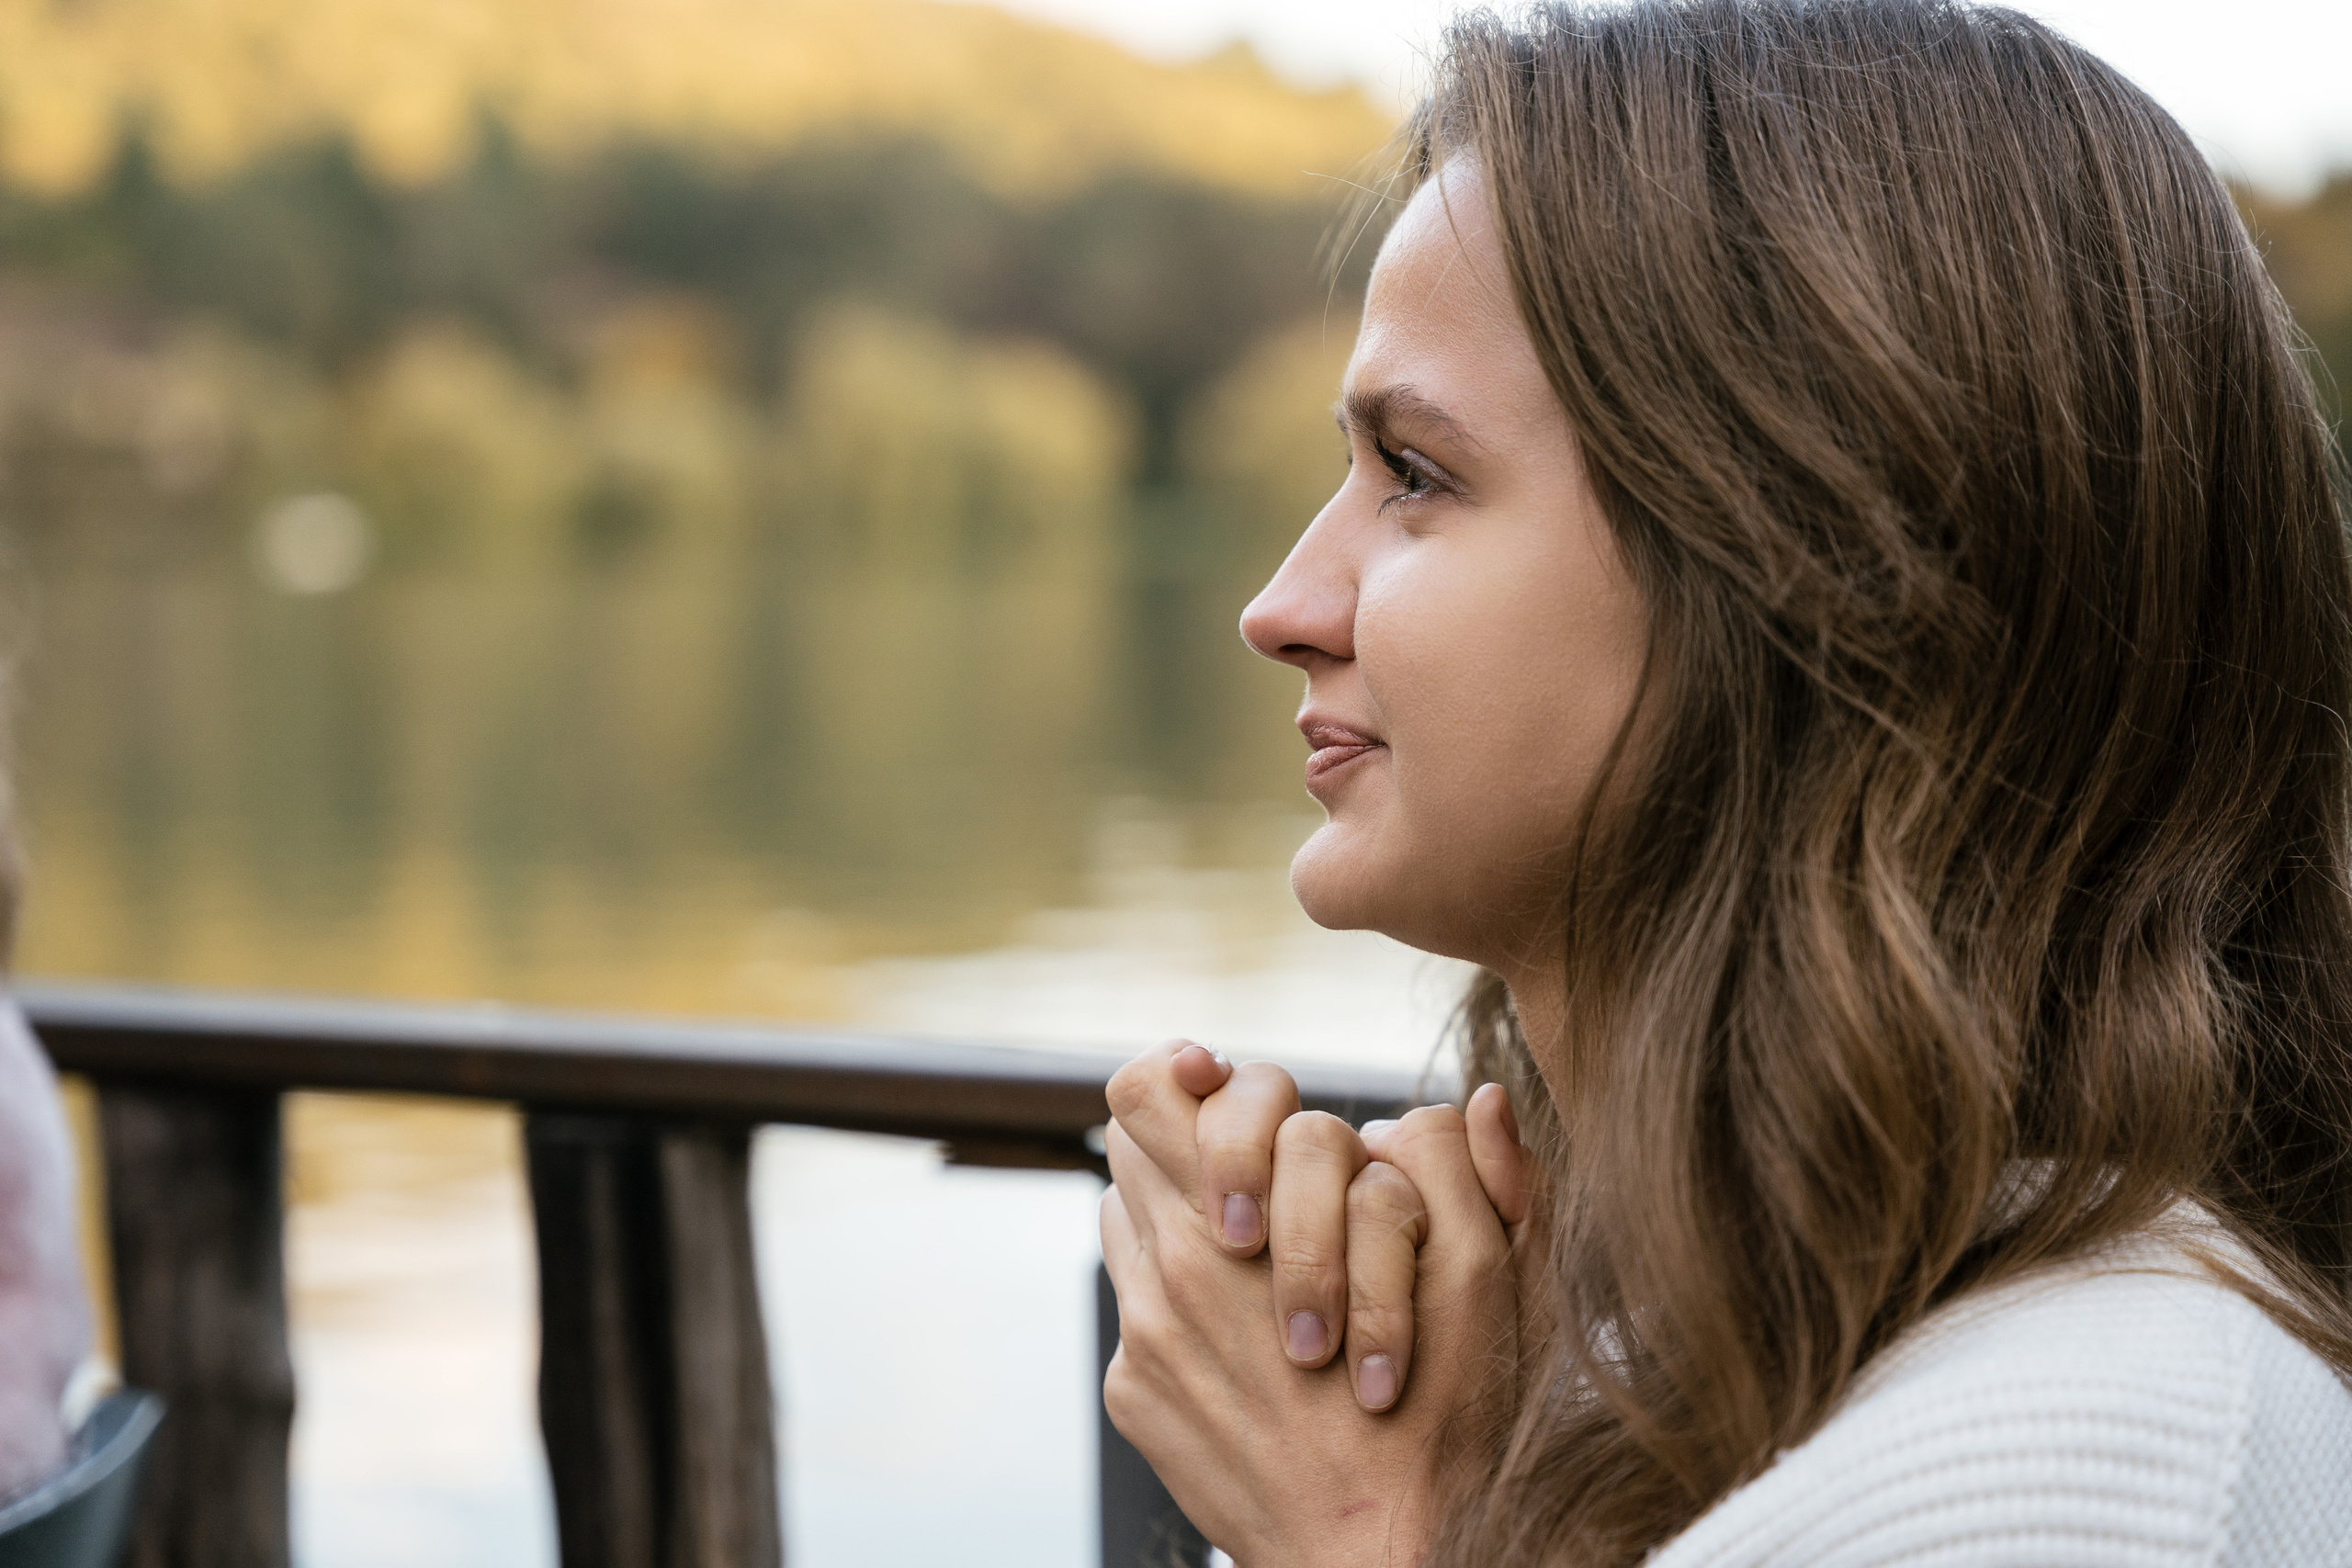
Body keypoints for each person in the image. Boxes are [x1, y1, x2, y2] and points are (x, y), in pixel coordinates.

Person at [1096, 1, 2352, 1563]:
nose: (1281, 607)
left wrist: (1372, 1535)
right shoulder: (1673, 1353)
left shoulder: (2096, 1473)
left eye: (1414, 475)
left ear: (1799, 565)